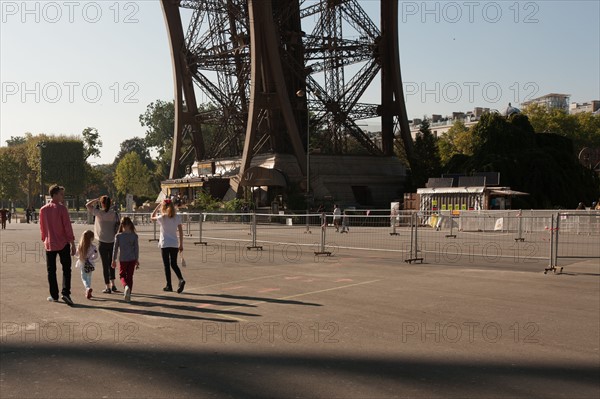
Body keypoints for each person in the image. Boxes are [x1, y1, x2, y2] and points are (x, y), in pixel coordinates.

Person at [39, 184, 76, 305]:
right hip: (63, 243)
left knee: (51, 270)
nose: (62, 196)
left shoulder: (43, 210)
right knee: (66, 269)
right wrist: (72, 242)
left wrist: (44, 238)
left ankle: (54, 295)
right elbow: (67, 227)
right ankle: (66, 293)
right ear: (54, 194)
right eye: (61, 194)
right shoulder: (62, 209)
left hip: (49, 243)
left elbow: (42, 228)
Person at [86, 196, 120, 294]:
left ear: (102, 203)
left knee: (105, 265)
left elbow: (87, 205)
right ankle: (113, 284)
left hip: (102, 242)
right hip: (112, 241)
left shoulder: (99, 213)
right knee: (112, 263)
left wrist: (96, 199)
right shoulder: (114, 214)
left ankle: (107, 286)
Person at [151, 199, 186, 293]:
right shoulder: (177, 217)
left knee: (166, 265)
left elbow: (152, 217)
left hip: (165, 243)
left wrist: (158, 206)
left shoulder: (162, 217)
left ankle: (169, 285)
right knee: (174, 264)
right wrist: (181, 244)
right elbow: (181, 231)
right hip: (174, 243)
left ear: (163, 207)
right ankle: (181, 279)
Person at [111, 217, 139, 302]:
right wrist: (137, 259)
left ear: (122, 225)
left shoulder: (119, 236)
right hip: (132, 259)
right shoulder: (134, 235)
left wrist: (113, 259)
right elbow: (136, 248)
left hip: (123, 259)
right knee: (130, 276)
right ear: (130, 225)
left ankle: (125, 286)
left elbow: (115, 249)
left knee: (122, 275)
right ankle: (129, 294)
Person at [75, 230, 99, 300]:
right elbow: (96, 255)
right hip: (90, 263)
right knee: (89, 276)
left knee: (83, 277)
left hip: (83, 263)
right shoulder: (93, 247)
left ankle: (87, 288)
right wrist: (91, 258)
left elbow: (76, 254)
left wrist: (81, 257)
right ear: (91, 238)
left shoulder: (80, 246)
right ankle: (88, 290)